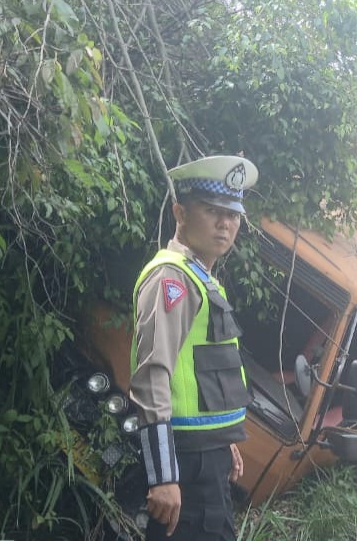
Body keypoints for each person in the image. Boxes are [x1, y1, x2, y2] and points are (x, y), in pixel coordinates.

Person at [131, 155, 257, 541]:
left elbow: (204, 369)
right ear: (180, 213)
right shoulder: (172, 278)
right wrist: (164, 476)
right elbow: (153, 375)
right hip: (184, 462)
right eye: (212, 210)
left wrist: (225, 441)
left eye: (233, 214)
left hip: (208, 457)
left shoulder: (202, 278)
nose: (225, 223)